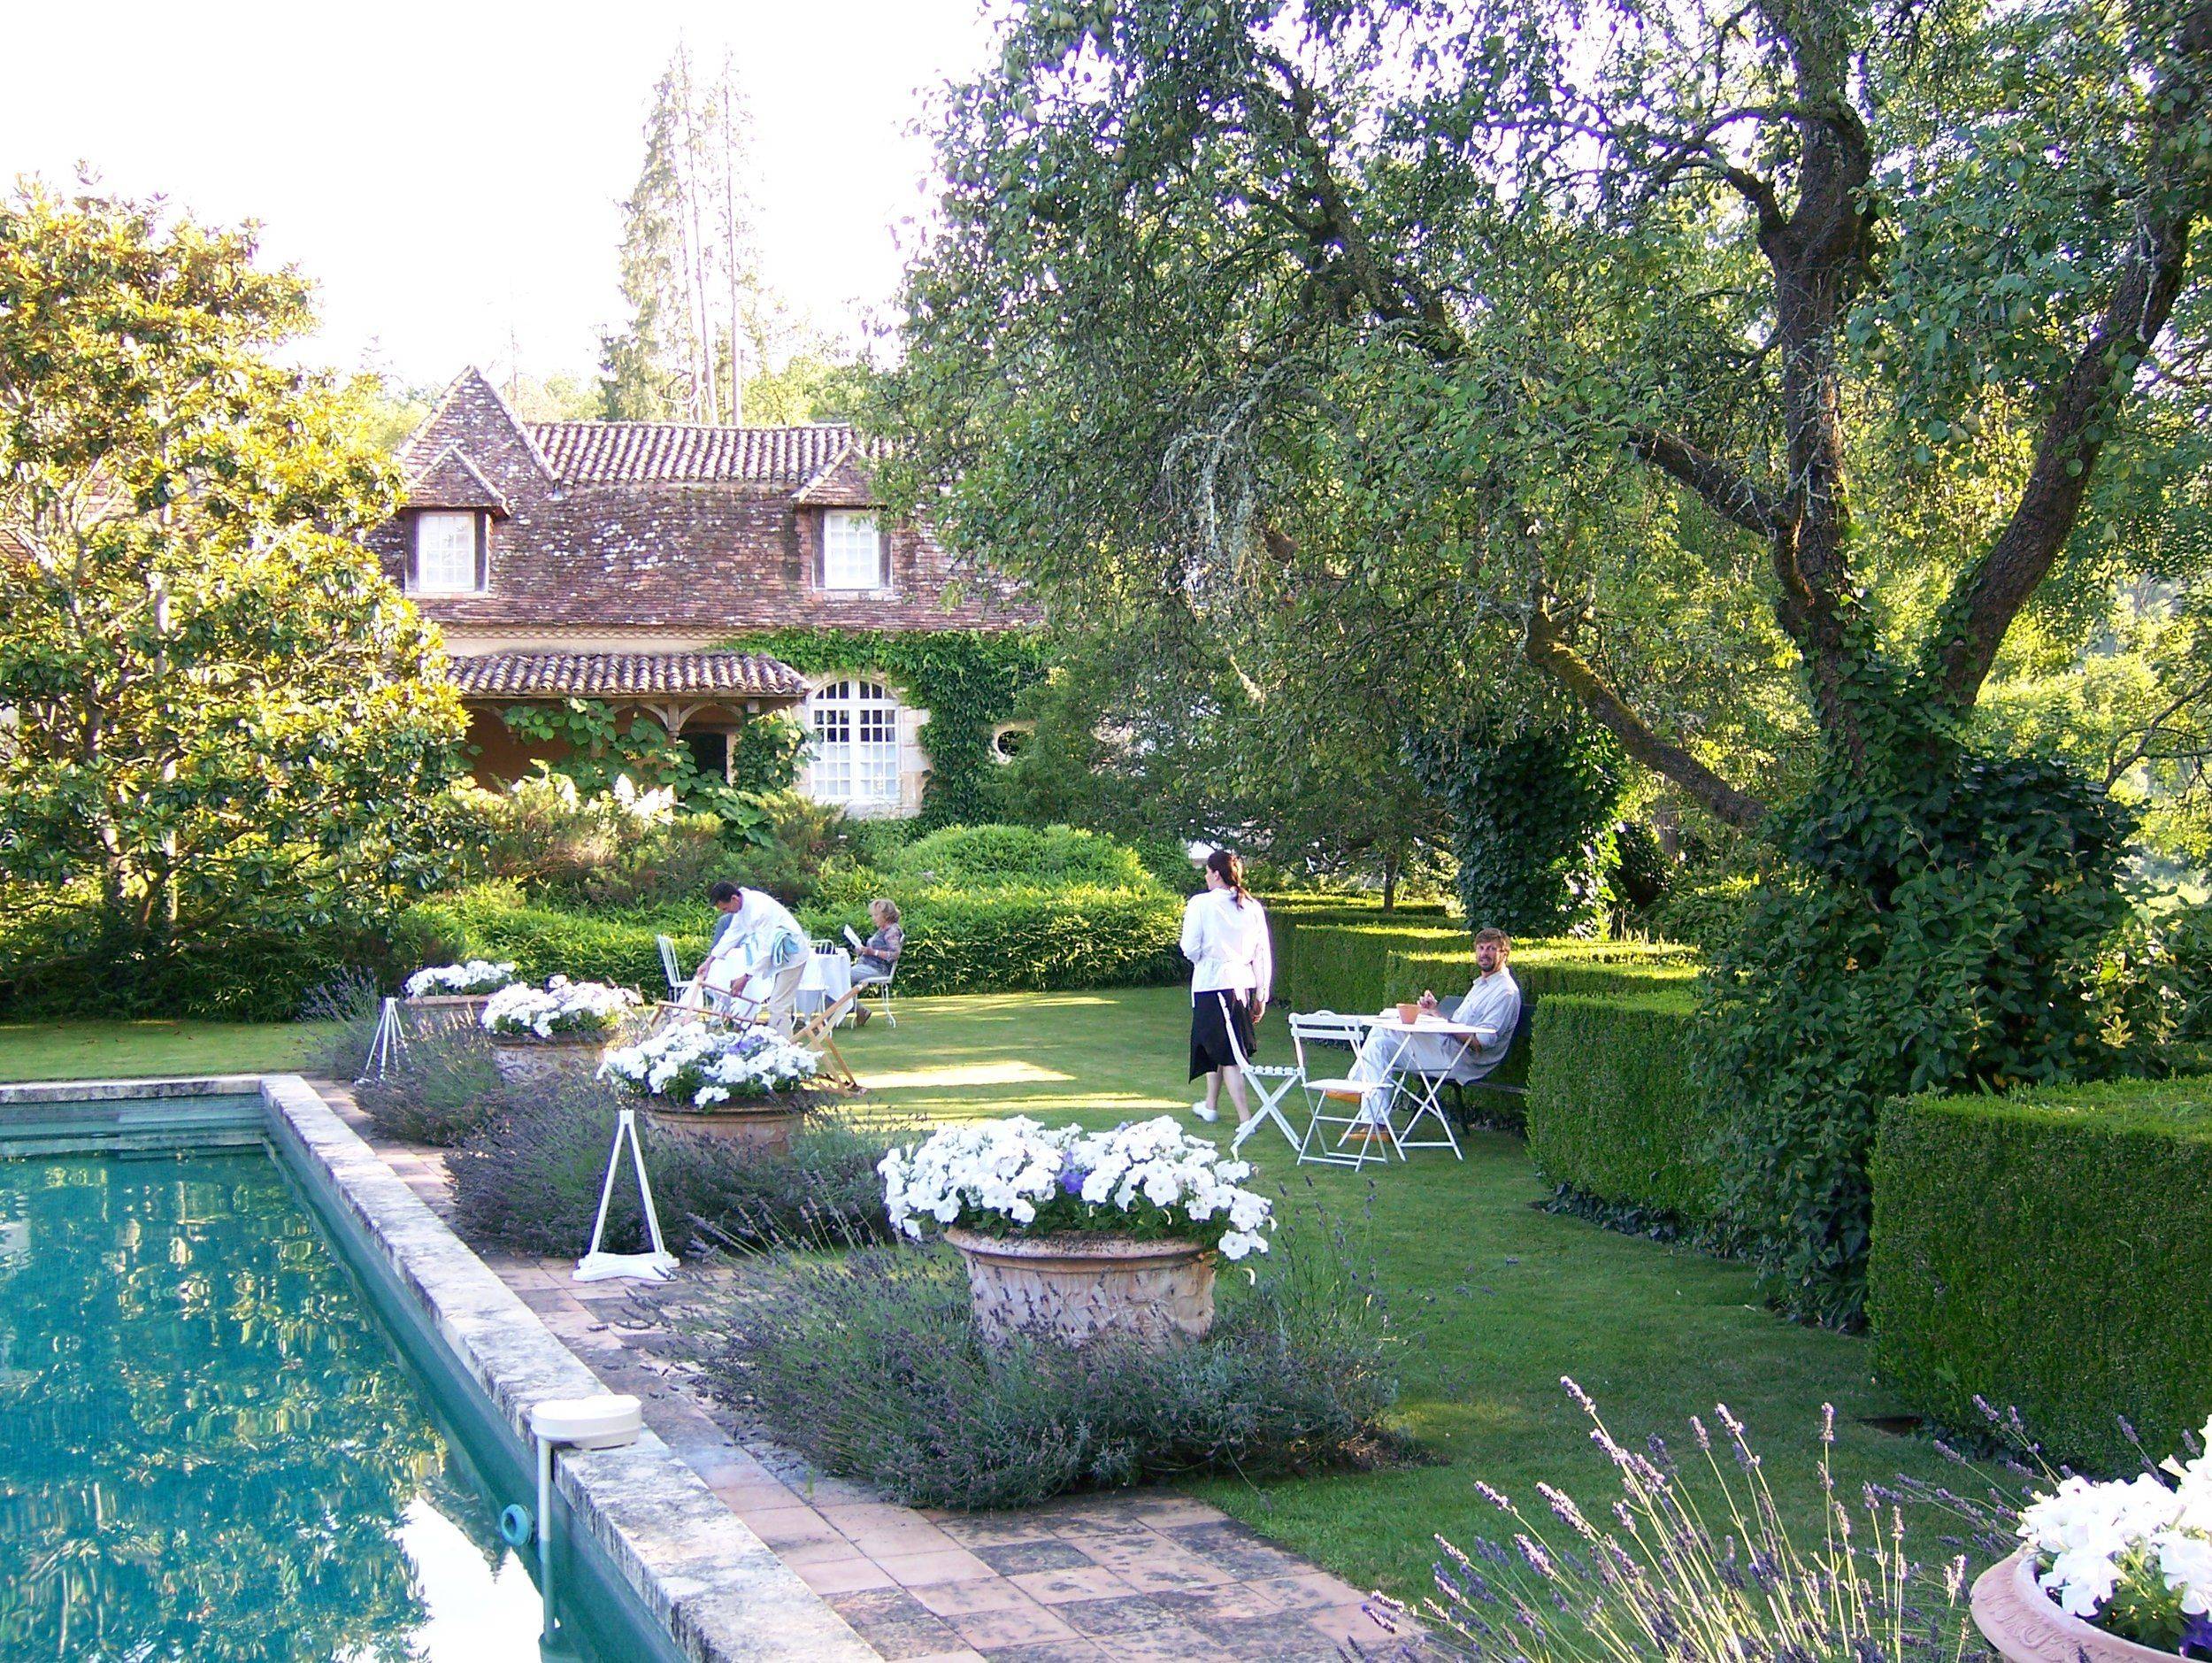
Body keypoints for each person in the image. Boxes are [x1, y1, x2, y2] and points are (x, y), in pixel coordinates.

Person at [1351, 927, 1521, 1112]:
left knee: (1383, 1027)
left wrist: (1441, 1023)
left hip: (1461, 1061)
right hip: (1448, 1049)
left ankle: (1353, 1086)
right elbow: (1456, 1024)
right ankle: (1375, 1124)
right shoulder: (1482, 984)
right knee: (1379, 1045)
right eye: (1480, 948)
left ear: (1504, 954)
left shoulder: (1505, 992)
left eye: (1491, 948)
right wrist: (1433, 1011)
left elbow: (1482, 1042)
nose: (1484, 953)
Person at [1180, 849, 1273, 1128]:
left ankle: (1245, 1118)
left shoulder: (1202, 904)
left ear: (1216, 874)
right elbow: (1262, 954)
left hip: (1214, 985)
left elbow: (1190, 947)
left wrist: (1204, 960)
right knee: (1214, 1047)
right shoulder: (1251, 906)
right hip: (1239, 984)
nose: (1206, 877)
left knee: (1230, 1053)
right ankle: (1210, 1105)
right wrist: (1261, 994)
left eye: (1208, 872)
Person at [692, 881, 812, 1036]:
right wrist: (709, 961)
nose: (725, 912)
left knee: (778, 1006)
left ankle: (785, 1049)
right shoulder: (740, 909)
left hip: (793, 954)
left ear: (734, 899)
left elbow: (765, 951)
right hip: (778, 956)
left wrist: (746, 977)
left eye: (725, 908)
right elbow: (731, 935)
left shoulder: (760, 910)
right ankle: (779, 1046)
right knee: (777, 1005)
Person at [848, 897, 902, 1027]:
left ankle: (850, 1010)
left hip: (877, 969)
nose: (873, 918)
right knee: (839, 976)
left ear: (886, 915)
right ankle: (858, 1010)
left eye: (876, 915)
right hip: (867, 966)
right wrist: (862, 950)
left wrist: (872, 952)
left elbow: (894, 954)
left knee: (841, 976)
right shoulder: (882, 930)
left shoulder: (892, 931)